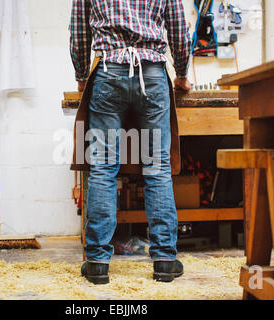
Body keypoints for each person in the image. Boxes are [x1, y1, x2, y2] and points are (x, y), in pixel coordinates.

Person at [69, 0, 191, 284]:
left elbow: (78, 33)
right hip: (153, 73)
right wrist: (182, 74)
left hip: (109, 72)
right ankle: (164, 260)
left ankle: (98, 262)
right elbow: (178, 32)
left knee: (102, 169)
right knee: (157, 168)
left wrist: (80, 75)